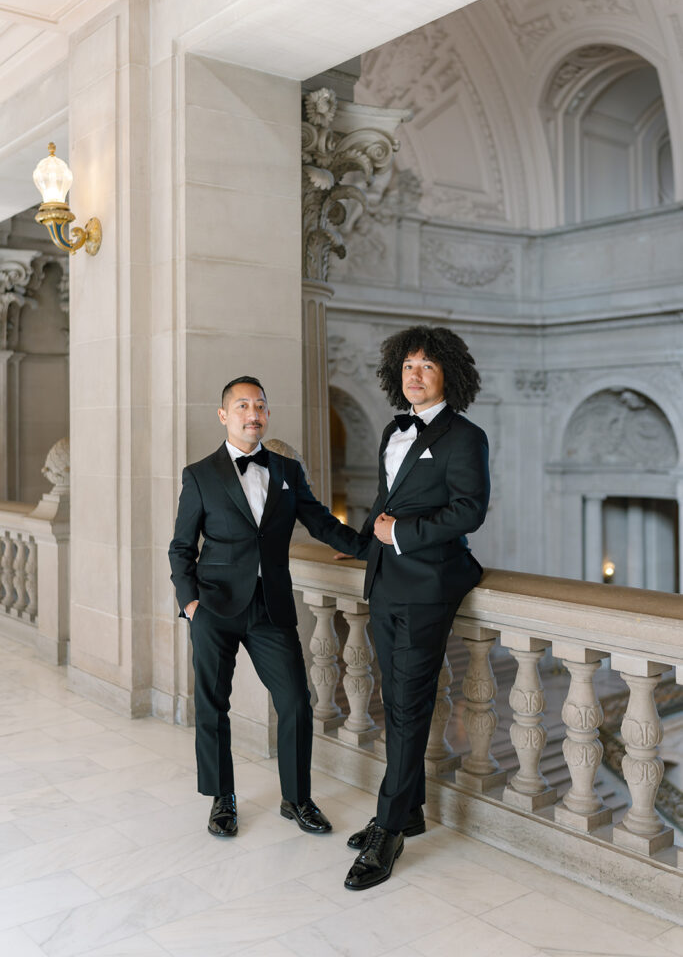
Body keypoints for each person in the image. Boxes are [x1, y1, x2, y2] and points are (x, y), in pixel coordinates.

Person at [169, 376, 364, 839]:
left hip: (271, 607)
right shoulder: (200, 474)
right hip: (215, 605)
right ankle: (222, 799)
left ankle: (296, 799)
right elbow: (181, 546)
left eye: (259, 405)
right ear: (224, 415)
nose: (252, 413)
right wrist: (190, 604)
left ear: (267, 414)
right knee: (213, 706)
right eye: (242, 406)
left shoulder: (286, 471)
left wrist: (369, 547)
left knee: (296, 701)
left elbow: (319, 521)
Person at [343, 326, 490, 890]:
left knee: (406, 707)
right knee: (395, 699)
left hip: (428, 584)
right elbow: (383, 503)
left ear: (448, 374)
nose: (415, 374)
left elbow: (468, 511)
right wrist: (361, 543)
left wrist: (400, 533)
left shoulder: (465, 436)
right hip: (385, 584)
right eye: (408, 365)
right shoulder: (392, 429)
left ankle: (388, 832)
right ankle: (408, 812)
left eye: (427, 366)